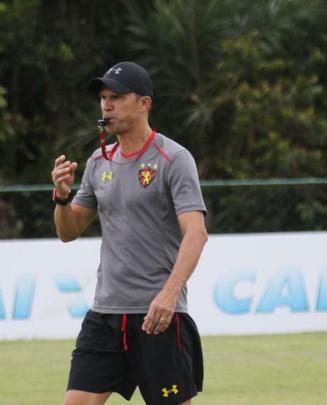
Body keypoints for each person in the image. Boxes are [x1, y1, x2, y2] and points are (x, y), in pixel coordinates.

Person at [51, 61, 208, 405]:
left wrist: (169, 296)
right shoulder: (97, 162)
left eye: (117, 97)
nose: (107, 105)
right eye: (104, 97)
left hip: (157, 316)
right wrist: (62, 197)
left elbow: (196, 233)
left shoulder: (174, 158)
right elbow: (69, 230)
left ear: (144, 103)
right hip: (104, 315)